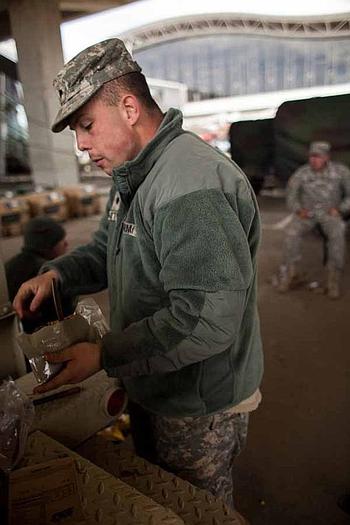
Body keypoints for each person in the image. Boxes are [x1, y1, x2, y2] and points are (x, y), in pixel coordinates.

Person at [13, 39, 263, 507]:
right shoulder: (134, 172)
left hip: (197, 401)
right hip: (152, 377)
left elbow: (205, 320)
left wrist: (104, 354)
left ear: (128, 107)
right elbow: (111, 245)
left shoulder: (191, 185)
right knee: (159, 496)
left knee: (196, 507)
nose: (82, 144)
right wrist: (58, 276)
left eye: (86, 125)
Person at [278, 141, 350, 299]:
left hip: (329, 214)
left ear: (327, 157)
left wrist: (340, 209)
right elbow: (291, 195)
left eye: (318, 157)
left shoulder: (340, 172)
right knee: (290, 233)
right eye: (312, 156)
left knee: (337, 234)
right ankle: (290, 274)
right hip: (307, 214)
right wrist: (298, 210)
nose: (314, 160)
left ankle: (333, 280)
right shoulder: (302, 173)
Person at [5, 216, 73, 332]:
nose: (66, 244)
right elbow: (67, 320)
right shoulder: (50, 276)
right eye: (61, 241)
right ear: (49, 245)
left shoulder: (8, 266)